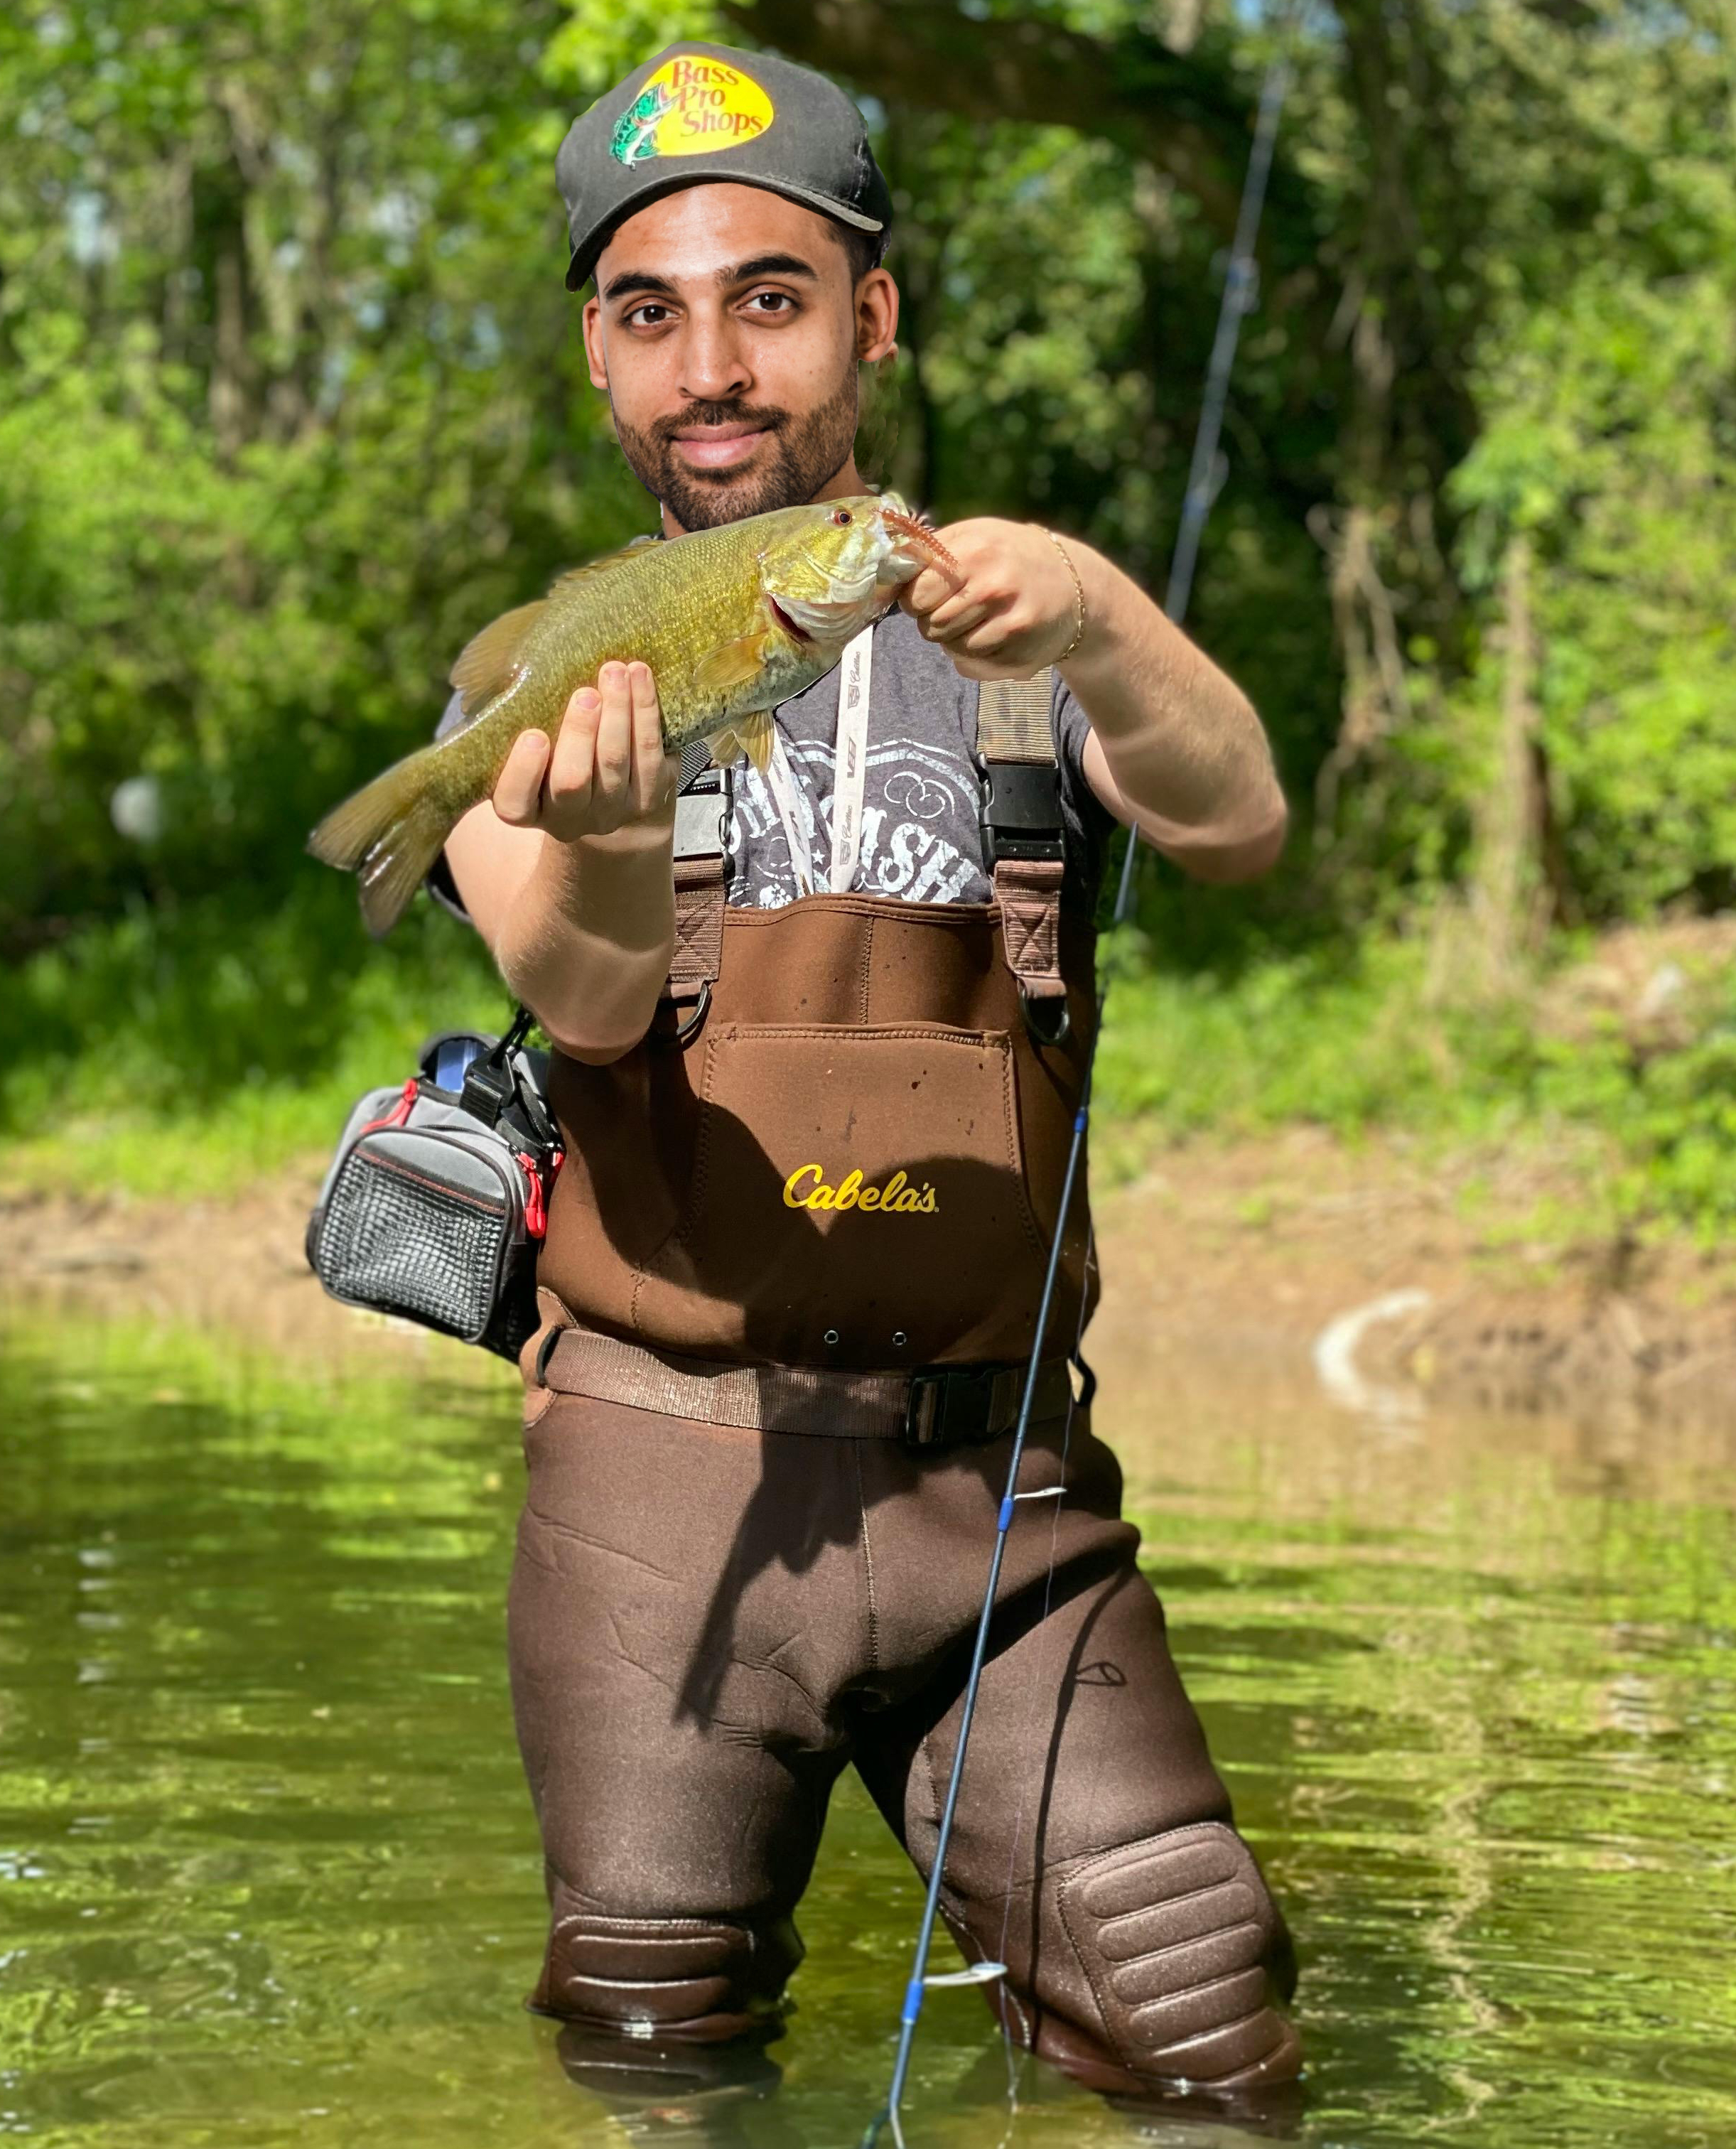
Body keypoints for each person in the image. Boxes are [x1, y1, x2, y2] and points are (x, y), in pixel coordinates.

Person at [431, 38, 1300, 2123]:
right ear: (597, 360)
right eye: (651, 314)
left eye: (771, 298)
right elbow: (583, 988)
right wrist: (623, 832)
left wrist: (1095, 610)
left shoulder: (1020, 617)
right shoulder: (527, 673)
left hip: (1002, 1495)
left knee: (1218, 2048)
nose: (713, 365)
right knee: (659, 2064)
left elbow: (1241, 817)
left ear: (870, 319)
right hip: (658, 1505)